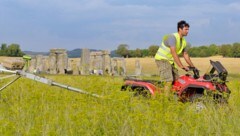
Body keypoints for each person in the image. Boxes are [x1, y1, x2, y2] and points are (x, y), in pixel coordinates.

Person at [154, 20, 196, 92]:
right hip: (162, 59)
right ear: (180, 29)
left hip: (170, 61)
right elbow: (173, 52)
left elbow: (185, 54)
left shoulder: (183, 41)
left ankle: (173, 97)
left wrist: (193, 67)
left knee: (177, 80)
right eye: (186, 29)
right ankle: (165, 101)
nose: (187, 31)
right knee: (168, 80)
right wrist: (181, 66)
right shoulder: (172, 37)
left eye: (188, 29)